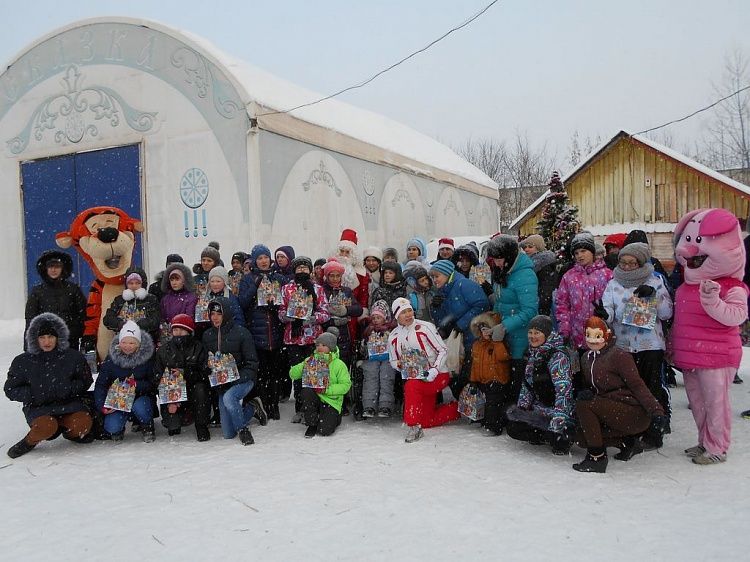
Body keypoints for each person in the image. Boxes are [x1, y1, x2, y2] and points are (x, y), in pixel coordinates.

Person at [671, 208, 748, 465]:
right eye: (689, 240)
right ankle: (704, 441)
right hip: (691, 355)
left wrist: (713, 300)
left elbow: (736, 316)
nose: (691, 250)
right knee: (698, 403)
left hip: (717, 356)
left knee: (716, 405)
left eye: (699, 242)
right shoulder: (686, 284)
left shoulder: (731, 285)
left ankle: (717, 448)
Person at [572, 317, 668, 473]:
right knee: (581, 436)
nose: (593, 340)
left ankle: (597, 458)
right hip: (608, 409)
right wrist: (586, 391)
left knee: (584, 405)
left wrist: (656, 411)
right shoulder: (586, 358)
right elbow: (591, 386)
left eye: (597, 335)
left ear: (607, 335)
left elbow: (637, 385)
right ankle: (627, 442)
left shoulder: (618, 356)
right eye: (588, 335)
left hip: (632, 411)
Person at [601, 242, 673, 447]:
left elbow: (667, 313)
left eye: (631, 263)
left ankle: (654, 430)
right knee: (629, 389)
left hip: (649, 344)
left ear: (641, 263)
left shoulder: (655, 280)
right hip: (623, 345)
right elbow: (609, 310)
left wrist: (654, 297)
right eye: (623, 262)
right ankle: (632, 428)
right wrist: (603, 314)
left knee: (650, 388)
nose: (626, 267)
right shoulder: (613, 283)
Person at [4, 313, 93, 458]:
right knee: (46, 426)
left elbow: (85, 380)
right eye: (42, 337)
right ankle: (29, 441)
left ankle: (72, 434)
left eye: (51, 337)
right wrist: (33, 394)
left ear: (58, 337)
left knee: (82, 423)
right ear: (35, 338)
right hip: (39, 407)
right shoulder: (23, 361)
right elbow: (10, 389)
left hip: (69, 404)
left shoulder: (73, 357)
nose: (47, 341)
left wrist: (69, 389)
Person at [388, 298, 459, 442]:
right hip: (416, 376)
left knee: (411, 386)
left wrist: (434, 370)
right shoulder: (393, 336)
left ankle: (413, 426)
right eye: (403, 312)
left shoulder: (425, 327)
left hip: (438, 374)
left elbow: (443, 350)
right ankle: (457, 408)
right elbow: (393, 360)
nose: (408, 314)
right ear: (397, 316)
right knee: (426, 421)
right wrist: (400, 365)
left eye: (409, 310)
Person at [506, 315, 573, 454]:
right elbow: (527, 386)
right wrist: (522, 409)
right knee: (514, 428)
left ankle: (560, 436)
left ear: (547, 334)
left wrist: (559, 418)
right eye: (530, 333)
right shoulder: (531, 353)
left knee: (558, 440)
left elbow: (563, 392)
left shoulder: (557, 356)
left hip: (559, 410)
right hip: (541, 407)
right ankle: (543, 435)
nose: (532, 336)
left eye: (537, 333)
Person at [484, 234, 539, 400]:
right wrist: (491, 320)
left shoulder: (525, 275)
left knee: (518, 384)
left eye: (500, 259)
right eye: (495, 259)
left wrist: (505, 326)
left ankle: (516, 418)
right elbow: (501, 302)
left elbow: (530, 311)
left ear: (509, 256)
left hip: (520, 337)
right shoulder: (503, 271)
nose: (497, 263)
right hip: (504, 336)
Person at [202, 297, 263, 445]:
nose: (215, 317)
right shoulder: (207, 335)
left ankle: (243, 430)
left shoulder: (242, 333)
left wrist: (236, 378)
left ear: (227, 314)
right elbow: (205, 362)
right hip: (222, 382)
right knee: (228, 433)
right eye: (212, 314)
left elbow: (252, 363)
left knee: (229, 398)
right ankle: (252, 408)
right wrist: (209, 368)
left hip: (243, 379)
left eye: (219, 314)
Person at [278, 256, 331, 423]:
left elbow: (325, 312)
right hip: (293, 339)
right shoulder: (286, 289)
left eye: (305, 267)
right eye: (299, 268)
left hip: (313, 338)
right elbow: (280, 311)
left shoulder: (318, 288)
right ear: (294, 270)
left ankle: (316, 406)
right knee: (298, 375)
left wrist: (313, 318)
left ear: (310, 270)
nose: (302, 270)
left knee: (316, 373)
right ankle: (300, 409)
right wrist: (289, 317)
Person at [238, 244, 287, 421]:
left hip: (275, 331)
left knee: (275, 373)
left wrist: (277, 307)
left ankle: (274, 405)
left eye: (266, 257)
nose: (264, 261)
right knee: (261, 372)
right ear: (254, 261)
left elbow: (289, 302)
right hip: (256, 332)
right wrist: (255, 287)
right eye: (260, 258)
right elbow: (242, 302)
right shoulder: (248, 279)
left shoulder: (279, 278)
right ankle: (264, 404)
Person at [430, 259, 490, 397]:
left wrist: (461, 324)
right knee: (455, 376)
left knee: (467, 376)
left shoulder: (464, 284)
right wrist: (435, 307)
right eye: (432, 277)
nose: (434, 280)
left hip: (473, 338)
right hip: (457, 342)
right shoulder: (443, 290)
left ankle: (474, 406)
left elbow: (482, 304)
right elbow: (442, 320)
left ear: (446, 274)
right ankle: (465, 405)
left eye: (436, 276)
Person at [153, 314, 212, 441]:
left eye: (181, 329)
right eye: (175, 329)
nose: (178, 333)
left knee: (201, 389)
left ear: (189, 331)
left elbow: (205, 374)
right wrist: (170, 400)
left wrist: (185, 373)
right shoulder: (164, 351)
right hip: (172, 393)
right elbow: (157, 377)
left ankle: (201, 425)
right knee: (172, 426)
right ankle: (176, 417)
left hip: (194, 389)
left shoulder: (199, 347)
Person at [95, 320, 156, 443]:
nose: (127, 346)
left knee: (141, 408)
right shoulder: (111, 360)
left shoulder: (147, 359)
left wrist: (136, 385)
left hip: (140, 397)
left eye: (131, 343)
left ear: (138, 344)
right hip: (118, 401)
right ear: (119, 342)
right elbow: (101, 385)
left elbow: (153, 383)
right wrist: (102, 405)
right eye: (124, 342)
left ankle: (147, 426)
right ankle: (118, 429)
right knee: (111, 427)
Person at [556, 232, 613, 356]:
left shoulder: (607, 275)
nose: (579, 256)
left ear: (592, 252)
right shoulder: (569, 276)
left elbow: (615, 302)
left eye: (583, 251)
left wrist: (606, 314)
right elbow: (562, 305)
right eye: (576, 253)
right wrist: (564, 329)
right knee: (580, 372)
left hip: (600, 335)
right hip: (577, 335)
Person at [289, 327, 352, 437]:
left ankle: (335, 416)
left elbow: (346, 385)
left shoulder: (338, 364)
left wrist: (326, 389)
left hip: (331, 401)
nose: (320, 348)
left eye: (323, 345)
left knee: (325, 431)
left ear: (331, 347)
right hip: (314, 398)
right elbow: (292, 374)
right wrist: (304, 366)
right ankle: (312, 423)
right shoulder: (311, 359)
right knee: (306, 391)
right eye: (318, 345)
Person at [25, 250, 86, 350]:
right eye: (50, 267)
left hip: (70, 340)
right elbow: (30, 320)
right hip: (45, 341)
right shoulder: (37, 292)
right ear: (45, 269)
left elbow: (82, 315)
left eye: (57, 266)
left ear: (63, 268)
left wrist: (78, 333)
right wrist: (29, 346)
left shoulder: (73, 289)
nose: (53, 270)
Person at [468, 312, 511, 436]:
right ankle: (481, 419)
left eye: (488, 330)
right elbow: (475, 365)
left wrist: (497, 342)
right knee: (482, 401)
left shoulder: (499, 344)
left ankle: (493, 426)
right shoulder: (477, 345)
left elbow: (503, 357)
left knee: (493, 404)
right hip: (482, 379)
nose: (486, 333)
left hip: (497, 380)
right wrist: (473, 380)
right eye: (483, 330)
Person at [321, 258, 363, 367]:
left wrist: (346, 310)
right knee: (326, 365)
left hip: (344, 333)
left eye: (338, 275)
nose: (335, 279)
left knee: (343, 365)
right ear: (327, 276)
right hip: (326, 331)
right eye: (332, 275)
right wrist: (330, 320)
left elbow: (358, 309)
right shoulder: (321, 290)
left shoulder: (346, 291)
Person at [360, 300, 397, 418]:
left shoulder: (391, 330)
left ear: (385, 318)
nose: (375, 320)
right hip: (372, 358)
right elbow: (363, 346)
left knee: (386, 377)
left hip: (387, 358)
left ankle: (385, 405)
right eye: (374, 317)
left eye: (379, 317)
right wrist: (365, 348)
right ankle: (369, 405)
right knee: (370, 377)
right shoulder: (368, 330)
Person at [103, 268, 160, 343]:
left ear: (143, 284)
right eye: (131, 283)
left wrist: (139, 325)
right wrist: (121, 324)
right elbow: (107, 319)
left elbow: (156, 320)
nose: (134, 286)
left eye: (137, 283)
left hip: (146, 342)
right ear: (126, 284)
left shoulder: (151, 299)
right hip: (123, 342)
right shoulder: (119, 300)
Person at [159, 263, 199, 343]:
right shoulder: (165, 299)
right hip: (169, 336)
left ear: (184, 281)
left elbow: (189, 318)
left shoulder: (191, 297)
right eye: (172, 280)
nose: (174, 282)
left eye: (177, 279)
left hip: (185, 335)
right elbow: (162, 318)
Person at [520, 235, 558, 317]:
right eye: (525, 247)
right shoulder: (529, 263)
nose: (526, 249)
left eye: (530, 247)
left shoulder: (544, 265)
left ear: (538, 248)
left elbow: (546, 289)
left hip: (540, 306)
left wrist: (542, 310)